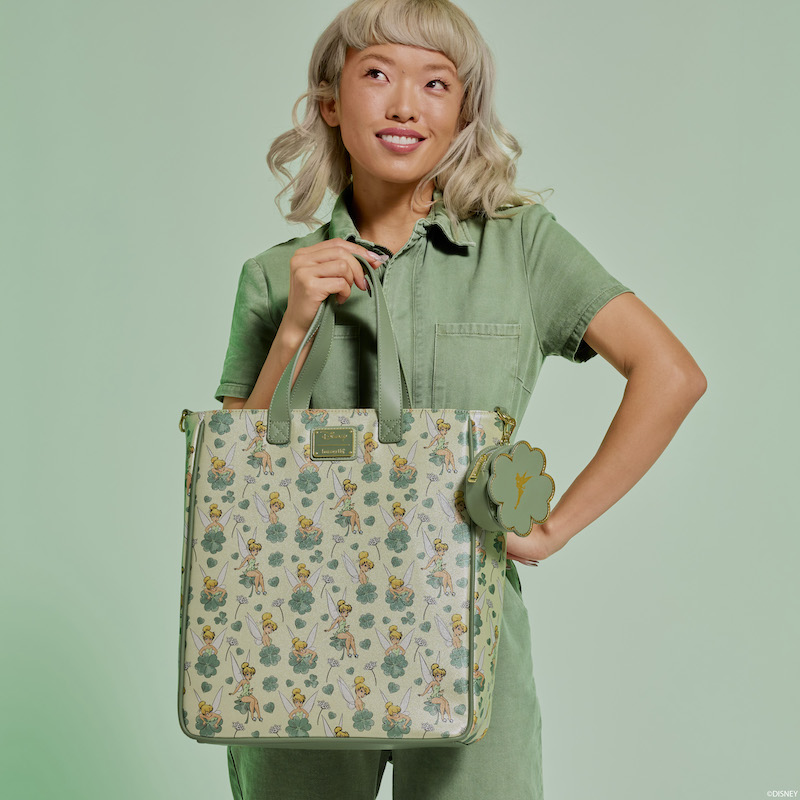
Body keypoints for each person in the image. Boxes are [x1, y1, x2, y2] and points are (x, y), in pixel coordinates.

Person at [214, 1, 707, 797]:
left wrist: (554, 528)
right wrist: (294, 326)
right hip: (293, 636)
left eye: (436, 82)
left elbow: (671, 373)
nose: (406, 103)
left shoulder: (524, 244)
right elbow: (231, 484)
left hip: (467, 635)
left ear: (463, 112)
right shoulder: (276, 278)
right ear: (332, 104)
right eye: (378, 73)